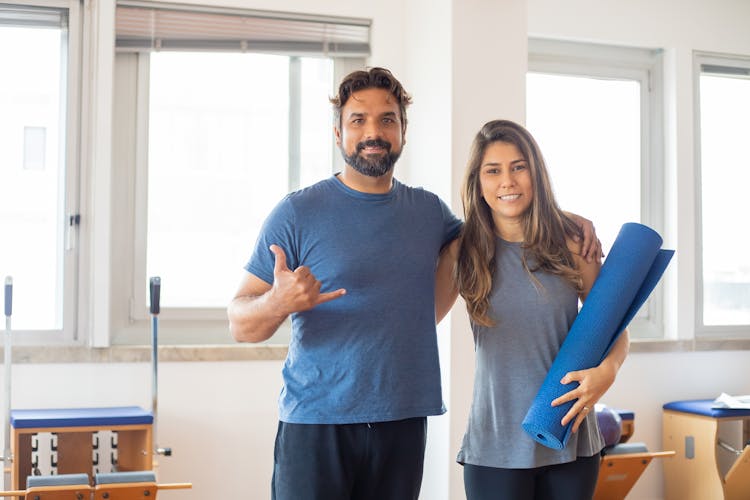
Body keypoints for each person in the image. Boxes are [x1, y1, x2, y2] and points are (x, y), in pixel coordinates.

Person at [227, 68, 600, 500]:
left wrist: (565, 219)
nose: (374, 132)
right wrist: (277, 302)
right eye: (358, 120)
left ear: (403, 131)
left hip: (402, 422)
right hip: (317, 423)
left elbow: (500, 221)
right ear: (337, 133)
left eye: (387, 119)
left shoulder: (428, 213)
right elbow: (239, 323)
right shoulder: (297, 213)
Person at [453, 119, 630, 500]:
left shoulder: (572, 241)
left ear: (536, 173)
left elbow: (616, 326)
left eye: (519, 167)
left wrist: (607, 373)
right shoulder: (463, 249)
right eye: (493, 170)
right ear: (478, 183)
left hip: (570, 437)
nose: (508, 181)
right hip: (495, 443)